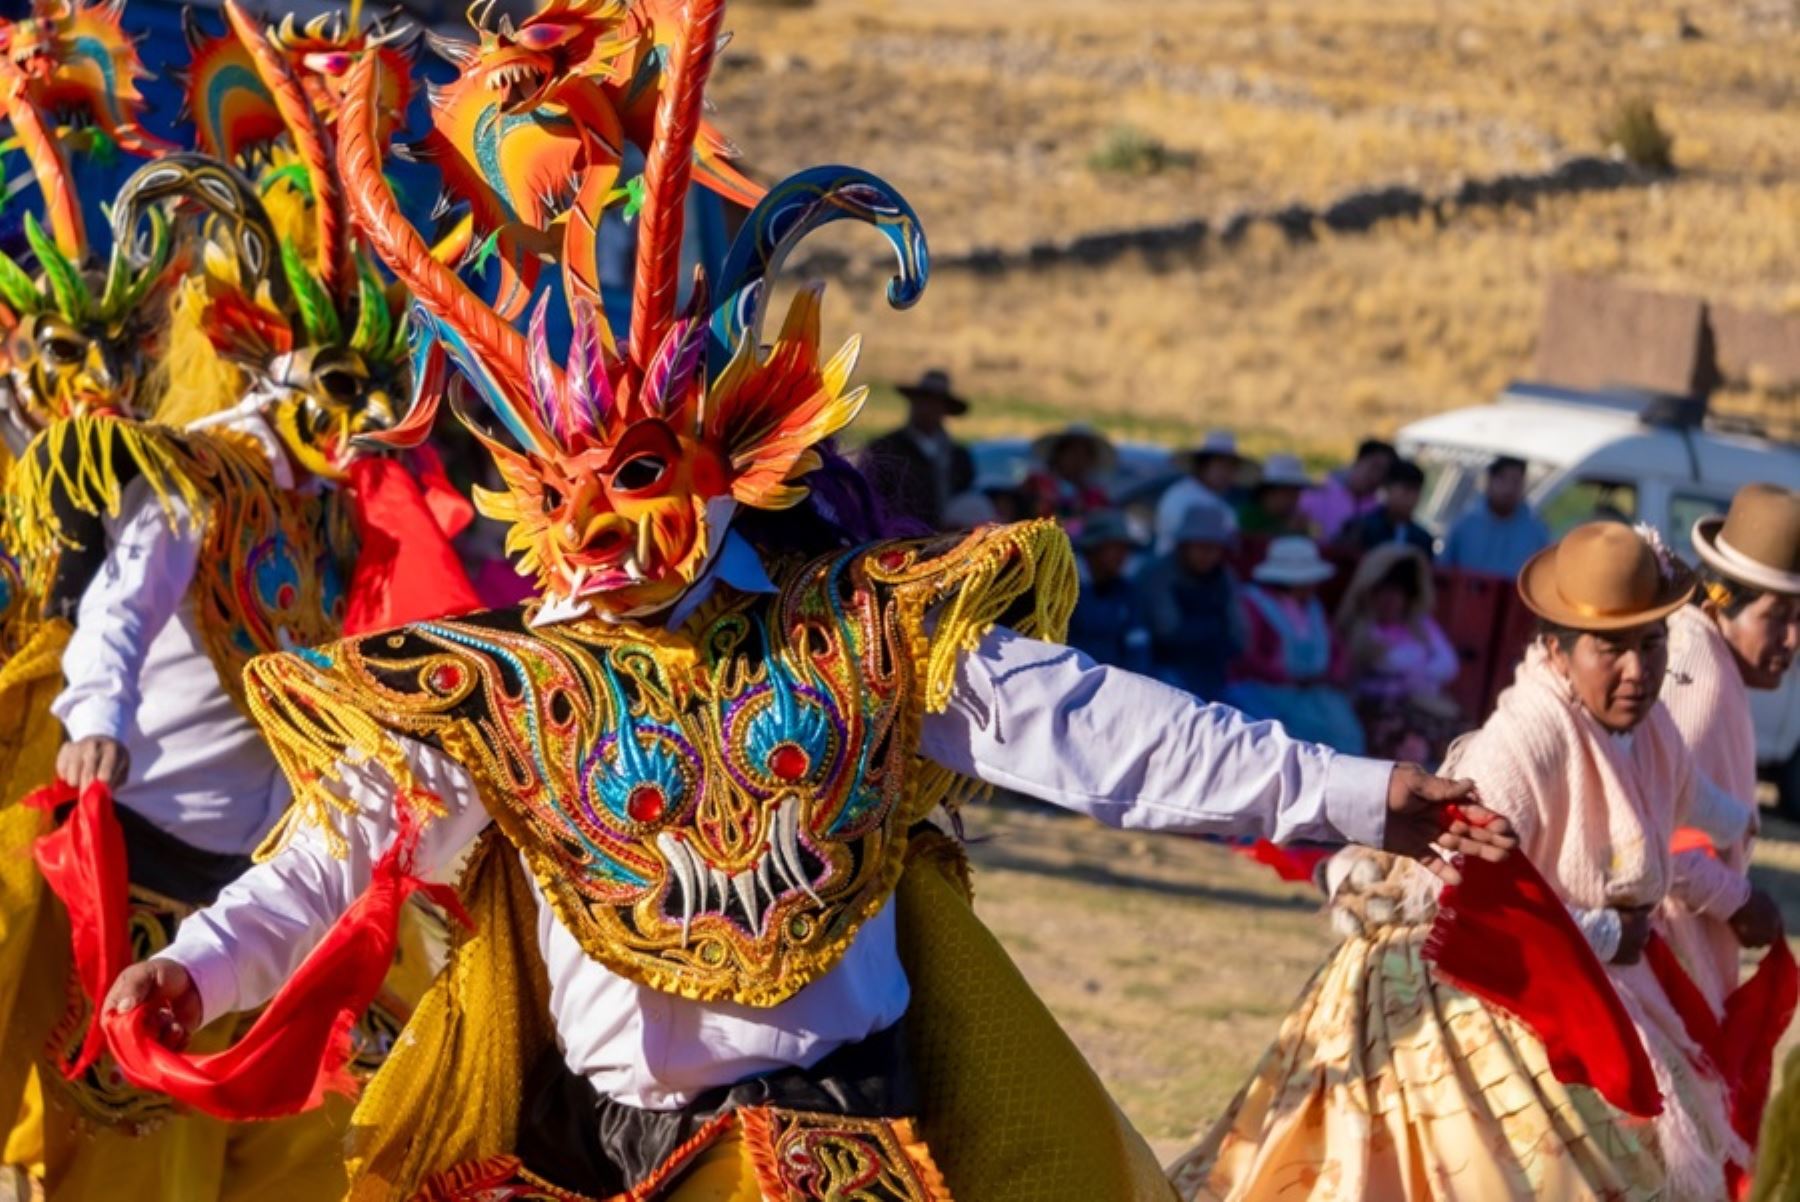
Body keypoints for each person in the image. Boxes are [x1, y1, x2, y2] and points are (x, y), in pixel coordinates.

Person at [96, 26, 1516, 1202]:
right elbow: (344, 842)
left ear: (734, 456)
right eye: (558, 481)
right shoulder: (506, 688)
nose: (595, 526)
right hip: (595, 1155)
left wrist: (1356, 789)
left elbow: (1107, 733)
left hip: (837, 1153)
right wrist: (198, 964)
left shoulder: (858, 634)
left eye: (637, 474)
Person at [1177, 523, 1782, 1201]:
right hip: (1492, 1003)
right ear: (1557, 649)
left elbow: (1695, 804)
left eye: (1651, 644)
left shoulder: (1645, 728)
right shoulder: (1526, 740)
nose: (1638, 671)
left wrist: (1737, 861)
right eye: (1610, 649)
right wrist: (1606, 932)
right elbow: (1444, 894)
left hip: (1597, 986)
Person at [1662, 484, 1799, 1013]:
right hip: (1660, 961)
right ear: (1723, 603)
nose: (1791, 640)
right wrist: (1737, 899)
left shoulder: (1708, 656)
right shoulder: (1698, 675)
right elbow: (1646, 824)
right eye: (1777, 616)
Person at [1227, 536, 1365, 752]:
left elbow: (1336, 647)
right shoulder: (1253, 604)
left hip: (1315, 694)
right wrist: (1286, 676)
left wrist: (1334, 673)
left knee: (1343, 733)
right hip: (1268, 692)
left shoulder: (1313, 608)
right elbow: (1247, 655)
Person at [1335, 543, 1461, 760]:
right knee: (1408, 745)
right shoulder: (1362, 627)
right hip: (1375, 709)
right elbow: (1387, 662)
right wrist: (1421, 666)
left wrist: (1415, 671)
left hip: (1421, 705)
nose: (1390, 601)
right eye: (1383, 593)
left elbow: (1449, 664)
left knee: (1462, 738)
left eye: (1397, 594)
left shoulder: (1420, 625)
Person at [1140, 505, 1244, 699]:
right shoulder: (1158, 574)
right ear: (1184, 546)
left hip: (1215, 669)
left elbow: (1239, 634)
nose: (1208, 555)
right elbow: (1167, 630)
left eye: (1214, 549)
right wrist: (1212, 631)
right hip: (1166, 669)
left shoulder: (1224, 577)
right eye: (1201, 547)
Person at [862, 368, 976, 531]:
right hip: (897, 538)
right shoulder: (886, 448)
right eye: (923, 401)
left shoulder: (959, 457)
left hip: (947, 540)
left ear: (944, 410)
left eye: (935, 403)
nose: (927, 409)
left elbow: (965, 499)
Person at [1067, 511, 1153, 674]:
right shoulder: (1065, 588)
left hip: (1116, 684)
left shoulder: (1127, 591)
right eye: (1115, 548)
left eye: (1125, 549)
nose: (1122, 556)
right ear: (1093, 548)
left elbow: (1138, 643)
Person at [1440, 455, 1551, 577]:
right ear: (1489, 481)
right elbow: (1443, 573)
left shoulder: (1536, 533)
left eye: (1515, 481)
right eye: (1502, 479)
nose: (1509, 488)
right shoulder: (1463, 526)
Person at [1154, 430, 1246, 554]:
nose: (1227, 474)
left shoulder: (1221, 503)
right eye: (1221, 466)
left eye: (1231, 468)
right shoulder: (1181, 497)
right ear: (1203, 466)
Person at [1298, 437, 1393, 542]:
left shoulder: (1379, 510)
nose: (1377, 476)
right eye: (1374, 467)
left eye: (1384, 472)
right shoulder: (1318, 493)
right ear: (1358, 461)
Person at [1022, 422, 1114, 529]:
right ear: (1058, 454)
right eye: (1072, 452)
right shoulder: (1037, 483)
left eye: (1085, 455)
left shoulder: (1096, 495)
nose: (1078, 460)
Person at [1339, 457, 1434, 557]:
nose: (1412, 497)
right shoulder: (1360, 527)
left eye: (1417, 491)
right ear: (1388, 489)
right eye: (1406, 490)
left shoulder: (1423, 539)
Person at [1234, 452, 1311, 537]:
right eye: (1288, 493)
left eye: (1297, 493)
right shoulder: (1248, 515)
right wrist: (1286, 530)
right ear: (1269, 493)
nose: (1294, 499)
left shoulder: (1292, 517)